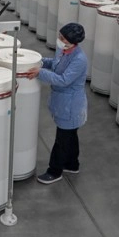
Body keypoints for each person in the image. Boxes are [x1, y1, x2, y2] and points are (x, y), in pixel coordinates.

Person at [25, 23, 88, 184]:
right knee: (70, 135)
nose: (59, 40)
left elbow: (63, 80)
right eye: (60, 36)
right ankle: (72, 165)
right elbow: (55, 63)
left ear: (73, 42)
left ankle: (54, 171)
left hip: (71, 105)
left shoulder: (79, 59)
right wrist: (39, 62)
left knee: (62, 140)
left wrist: (40, 73)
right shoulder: (64, 50)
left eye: (63, 38)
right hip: (62, 101)